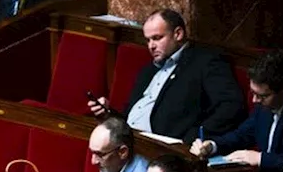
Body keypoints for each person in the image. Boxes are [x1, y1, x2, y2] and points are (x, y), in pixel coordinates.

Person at [88, 10, 245, 142]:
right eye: (148, 40)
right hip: (129, 141)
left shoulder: (205, 62)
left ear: (178, 34)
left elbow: (230, 106)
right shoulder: (148, 71)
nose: (151, 46)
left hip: (164, 152)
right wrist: (108, 113)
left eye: (157, 38)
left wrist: (194, 138)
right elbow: (129, 115)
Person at [190, 49, 283, 172]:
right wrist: (213, 145)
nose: (254, 100)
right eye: (252, 93)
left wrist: (262, 159)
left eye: (262, 96)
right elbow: (242, 135)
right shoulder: (266, 105)